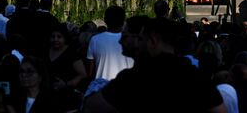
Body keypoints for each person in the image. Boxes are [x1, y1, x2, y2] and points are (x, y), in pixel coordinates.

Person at [83, 18, 227, 113]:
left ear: (153, 41)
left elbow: (92, 106)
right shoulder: (195, 76)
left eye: (141, 39)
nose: (139, 44)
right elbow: (221, 110)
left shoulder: (136, 78)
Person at [86, 6, 133, 81]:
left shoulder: (95, 40)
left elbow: (90, 71)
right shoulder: (132, 40)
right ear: (124, 20)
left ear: (105, 20)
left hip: (101, 88)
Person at [47, 24, 87, 110]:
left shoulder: (72, 53)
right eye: (53, 36)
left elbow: (82, 74)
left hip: (66, 97)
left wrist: (66, 84)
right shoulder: (45, 50)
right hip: (47, 95)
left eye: (59, 37)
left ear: (64, 38)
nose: (55, 39)